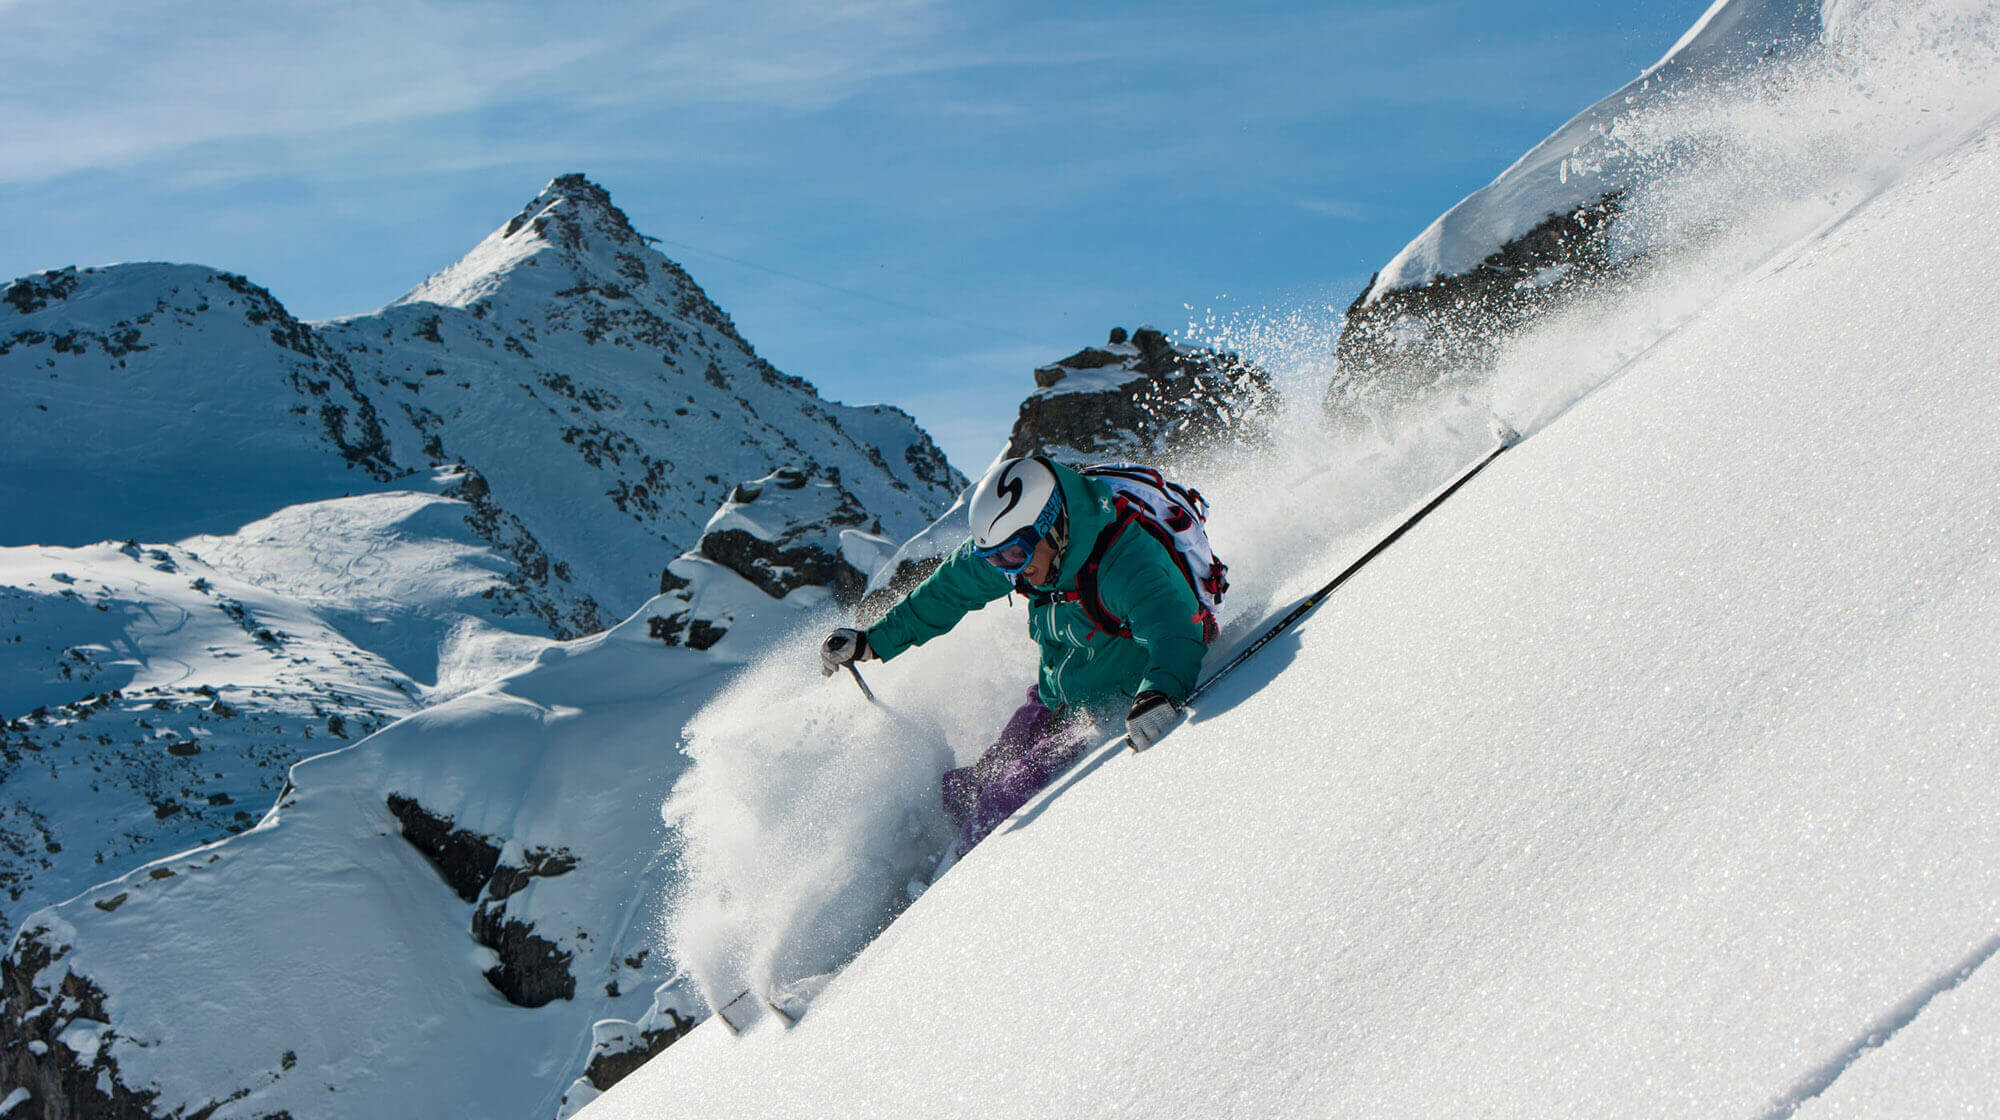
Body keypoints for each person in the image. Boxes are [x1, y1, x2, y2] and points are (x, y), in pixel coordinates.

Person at [820, 454, 1211, 856]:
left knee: (994, 812)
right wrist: (873, 641)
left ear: (1052, 527)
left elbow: (1175, 628)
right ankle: (918, 853)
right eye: (994, 559)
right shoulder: (1021, 550)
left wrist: (1159, 693)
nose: (1009, 571)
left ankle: (949, 890)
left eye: (1012, 556)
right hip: (1056, 696)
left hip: (1106, 712)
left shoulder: (1124, 561)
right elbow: (948, 590)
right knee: (973, 785)